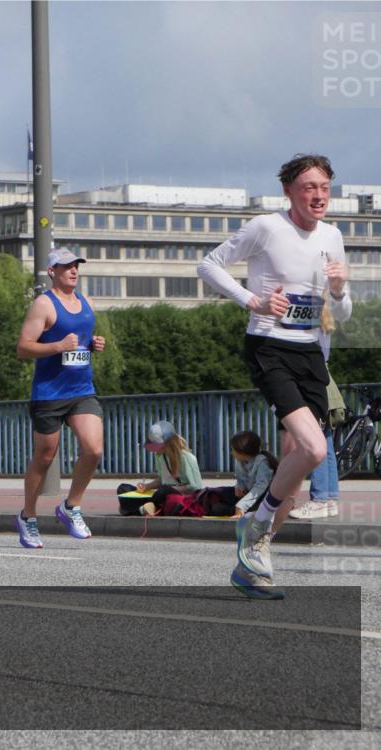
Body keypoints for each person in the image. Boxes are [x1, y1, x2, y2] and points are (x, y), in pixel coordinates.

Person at [198, 153, 352, 599]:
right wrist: (254, 301)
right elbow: (208, 265)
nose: (318, 195)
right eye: (308, 186)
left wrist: (340, 291)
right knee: (314, 447)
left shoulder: (333, 237)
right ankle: (260, 526)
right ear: (289, 192)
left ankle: (252, 562)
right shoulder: (267, 227)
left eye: (324, 186)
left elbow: (339, 313)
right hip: (269, 346)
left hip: (311, 355)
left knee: (299, 459)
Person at [14, 249, 106, 548]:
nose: (73, 270)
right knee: (44, 457)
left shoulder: (87, 302)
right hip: (49, 393)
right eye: (66, 266)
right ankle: (28, 516)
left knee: (93, 449)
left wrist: (93, 345)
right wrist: (57, 347)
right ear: (51, 271)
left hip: (81, 389)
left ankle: (71, 506)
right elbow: (23, 348)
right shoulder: (44, 304)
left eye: (76, 265)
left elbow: (79, 344)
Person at [290, 325, 342, 520]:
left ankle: (319, 499)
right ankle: (329, 498)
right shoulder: (325, 319)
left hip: (310, 378)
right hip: (323, 377)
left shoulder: (308, 320)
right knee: (325, 440)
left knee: (315, 441)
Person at [195, 431, 277, 517]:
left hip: (262, 497)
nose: (232, 453)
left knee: (221, 508)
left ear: (242, 450)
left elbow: (259, 488)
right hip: (248, 496)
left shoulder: (263, 462)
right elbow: (240, 480)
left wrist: (241, 505)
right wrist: (239, 487)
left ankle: (241, 511)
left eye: (233, 449)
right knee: (220, 494)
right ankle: (237, 510)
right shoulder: (240, 461)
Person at [135, 421, 204, 515]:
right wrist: (146, 486)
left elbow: (195, 486)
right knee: (123, 488)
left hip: (182, 497)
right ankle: (148, 507)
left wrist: (172, 488)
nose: (155, 449)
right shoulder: (159, 456)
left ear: (169, 443)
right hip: (163, 493)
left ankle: (146, 508)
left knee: (164, 491)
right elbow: (162, 479)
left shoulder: (186, 457)